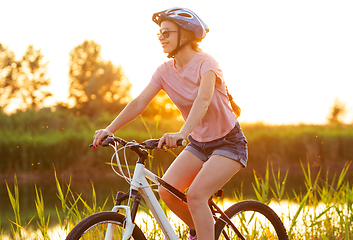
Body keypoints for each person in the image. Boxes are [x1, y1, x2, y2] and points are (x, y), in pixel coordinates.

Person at [93, 7, 248, 240]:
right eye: (159, 34)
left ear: (185, 35)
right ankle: (202, 231)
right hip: (199, 144)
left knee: (196, 195)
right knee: (167, 191)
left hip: (229, 143)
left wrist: (182, 133)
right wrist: (109, 129)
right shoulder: (164, 71)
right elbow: (139, 102)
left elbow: (203, 99)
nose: (161, 38)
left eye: (167, 32)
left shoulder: (207, 63)